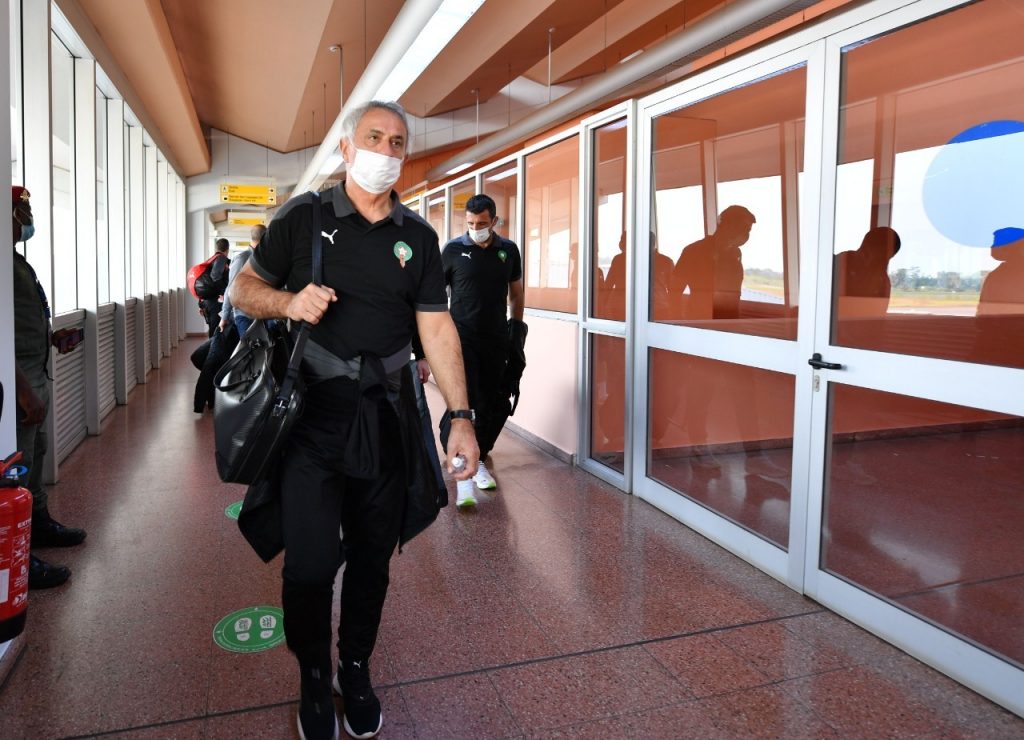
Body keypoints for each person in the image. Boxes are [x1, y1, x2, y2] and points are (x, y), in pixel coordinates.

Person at [231, 100, 479, 740]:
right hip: (312, 420)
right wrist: (289, 302)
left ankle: (355, 666)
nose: (386, 151)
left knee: (373, 559)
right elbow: (242, 290)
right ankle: (314, 674)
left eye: (397, 142)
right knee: (311, 565)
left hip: (387, 418)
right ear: (346, 148)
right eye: (374, 137)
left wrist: (460, 416)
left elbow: (436, 328)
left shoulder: (417, 236)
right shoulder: (304, 217)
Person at [424, 194, 524, 508]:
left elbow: (516, 294)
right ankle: (464, 469)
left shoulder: (508, 251)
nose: (475, 228)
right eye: (470, 223)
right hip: (461, 340)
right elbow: (435, 297)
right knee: (464, 403)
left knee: (489, 400)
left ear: (494, 221)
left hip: (496, 339)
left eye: (481, 223)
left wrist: (516, 331)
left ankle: (474, 458)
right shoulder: (453, 250)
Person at [11, 186, 87, 589]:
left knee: (36, 454)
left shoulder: (15, 261)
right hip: (18, 382)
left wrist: (52, 337)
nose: (28, 220)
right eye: (22, 213)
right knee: (17, 466)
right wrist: (23, 391)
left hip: (34, 371)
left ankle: (37, 526)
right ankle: (18, 555)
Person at [670, 205, 756, 320]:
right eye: (743, 228)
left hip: (729, 322)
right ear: (726, 224)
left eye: (748, 230)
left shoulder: (736, 253)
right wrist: (678, 321)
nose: (746, 234)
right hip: (700, 322)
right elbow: (674, 291)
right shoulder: (694, 251)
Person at [221, 224, 266, 338]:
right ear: (266, 238)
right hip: (245, 316)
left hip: (263, 315)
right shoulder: (242, 258)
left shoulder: (265, 259)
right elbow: (231, 289)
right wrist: (224, 317)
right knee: (248, 347)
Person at [836, 226, 901, 300]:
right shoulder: (839, 263)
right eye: (881, 258)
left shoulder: (883, 283)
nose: (884, 264)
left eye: (885, 259)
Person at [198, 238, 230, 337]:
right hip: (214, 301)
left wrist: (200, 304)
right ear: (227, 249)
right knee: (216, 330)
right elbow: (215, 276)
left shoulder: (212, 260)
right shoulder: (221, 258)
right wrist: (224, 291)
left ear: (216, 248)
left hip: (207, 300)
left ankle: (213, 345)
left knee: (213, 329)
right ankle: (213, 347)